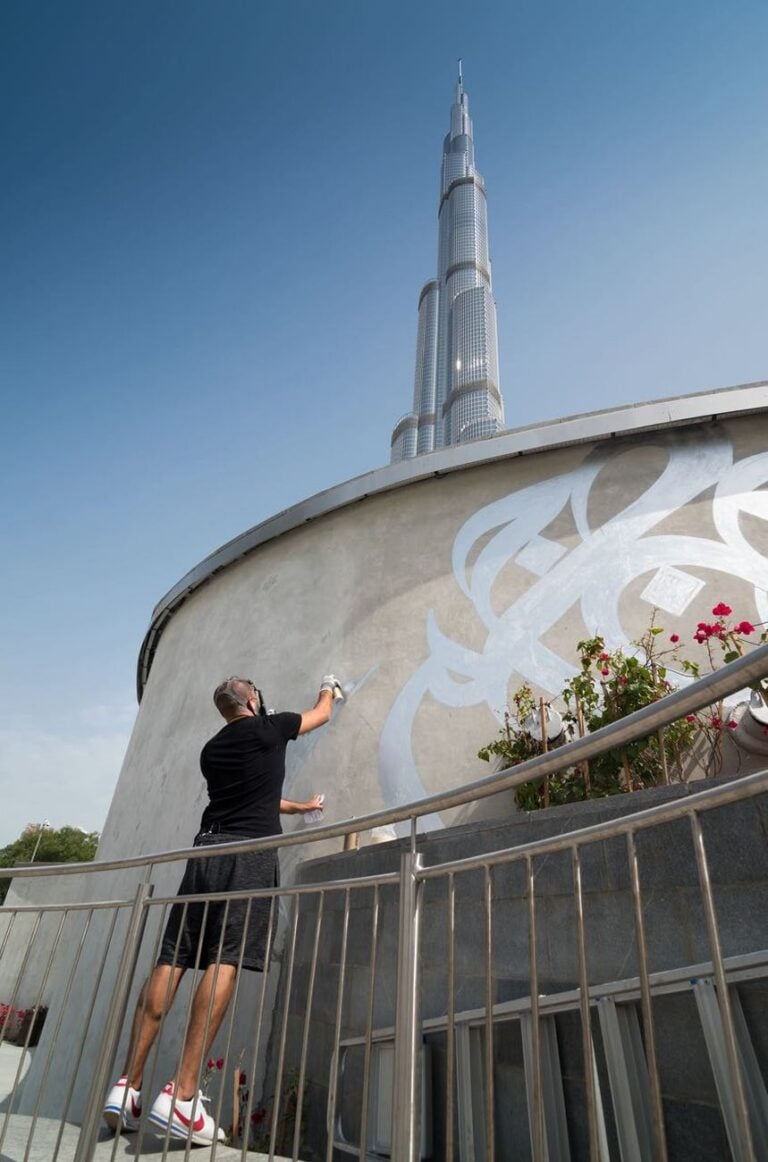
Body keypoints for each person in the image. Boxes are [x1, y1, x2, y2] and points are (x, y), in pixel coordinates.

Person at [103, 673, 340, 1145]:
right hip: (247, 857)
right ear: (253, 700)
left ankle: (127, 1086)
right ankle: (183, 1096)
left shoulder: (212, 750)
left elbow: (261, 798)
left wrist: (301, 808)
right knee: (223, 961)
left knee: (173, 960)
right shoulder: (269, 727)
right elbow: (321, 715)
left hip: (204, 856)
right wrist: (329, 686)